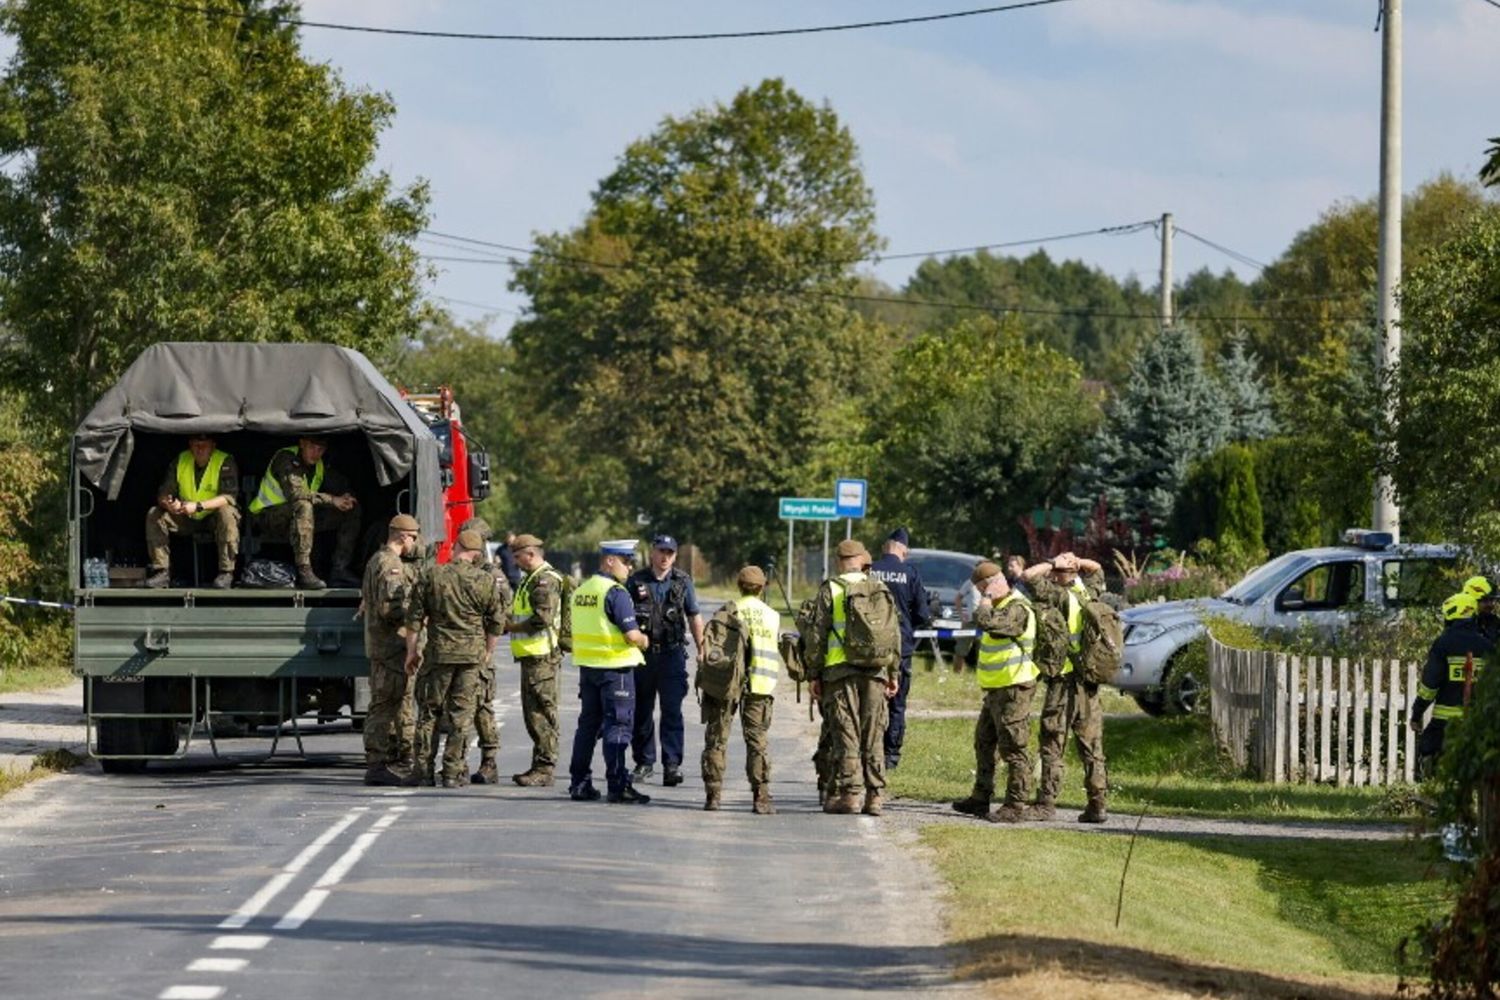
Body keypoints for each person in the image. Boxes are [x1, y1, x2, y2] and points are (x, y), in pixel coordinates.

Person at [805, 538, 899, 816]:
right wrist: (892, 673)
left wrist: (813, 674)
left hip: (839, 672)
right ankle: (875, 797)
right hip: (876, 671)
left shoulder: (831, 589)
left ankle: (849, 795)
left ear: (839, 561)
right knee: (874, 733)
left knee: (846, 731)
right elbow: (895, 634)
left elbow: (816, 636)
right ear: (862, 560)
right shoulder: (881, 588)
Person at [404, 529, 504, 788]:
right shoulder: (485, 580)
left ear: (457, 546)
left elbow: (414, 619)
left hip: (439, 654)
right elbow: (496, 622)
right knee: (462, 716)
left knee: (429, 712)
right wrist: (488, 652)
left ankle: (423, 770)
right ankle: (452, 772)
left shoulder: (432, 575)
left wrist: (411, 652)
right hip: (471, 657)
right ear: (477, 553)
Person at [1022, 551, 1110, 823]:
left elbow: (1027, 576)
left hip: (1064, 680)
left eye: (1056, 572)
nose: (1051, 574)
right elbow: (1097, 569)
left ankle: (1046, 802)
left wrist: (1053, 563)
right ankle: (1098, 805)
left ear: (1060, 575)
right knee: (1092, 746)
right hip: (1089, 681)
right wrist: (1077, 562)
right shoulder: (1089, 592)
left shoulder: (1057, 595)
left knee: (1052, 741)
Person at [951, 560, 1039, 824]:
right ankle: (981, 797)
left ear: (998, 582)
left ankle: (1015, 804)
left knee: (1014, 747)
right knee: (984, 741)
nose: (983, 594)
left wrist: (987, 597)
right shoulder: (1002, 606)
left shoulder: (1018, 608)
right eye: (980, 590)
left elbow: (985, 621)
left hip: (1015, 688)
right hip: (995, 690)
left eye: (985, 588)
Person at [569, 540, 652, 804]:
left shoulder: (582, 590)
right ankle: (618, 785)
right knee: (618, 726)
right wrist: (645, 640)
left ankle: (579, 784)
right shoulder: (615, 592)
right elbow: (631, 635)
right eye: (625, 561)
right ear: (609, 561)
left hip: (588, 668)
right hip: (615, 669)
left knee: (587, 726)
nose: (629, 567)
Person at [700, 565, 783, 814]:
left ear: (739, 585)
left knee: (717, 739)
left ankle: (713, 796)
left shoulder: (727, 612)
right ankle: (761, 797)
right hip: (759, 686)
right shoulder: (772, 615)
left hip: (725, 684)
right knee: (757, 742)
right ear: (762, 588)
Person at [627, 534, 704, 787]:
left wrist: (701, 648)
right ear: (652, 552)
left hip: (671, 655)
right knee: (641, 711)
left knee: (672, 711)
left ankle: (672, 765)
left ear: (675, 555)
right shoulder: (636, 580)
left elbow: (694, 616)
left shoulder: (682, 581)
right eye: (661, 551)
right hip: (642, 657)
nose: (665, 557)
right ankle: (644, 762)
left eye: (670, 553)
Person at [248, 436, 362, 590]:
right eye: (312, 447)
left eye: (321, 449)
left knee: (351, 511)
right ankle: (305, 570)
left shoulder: (319, 465)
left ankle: (340, 569)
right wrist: (332, 499)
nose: (316, 453)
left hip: (299, 520)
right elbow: (297, 494)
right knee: (303, 506)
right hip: (269, 518)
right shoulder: (286, 458)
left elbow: (337, 484)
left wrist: (346, 498)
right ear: (302, 444)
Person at [360, 514, 422, 786]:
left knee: (388, 704)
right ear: (403, 536)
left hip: (381, 644)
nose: (415, 544)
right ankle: (376, 765)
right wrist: (418, 616)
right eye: (414, 538)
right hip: (389, 646)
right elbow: (392, 608)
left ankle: (386, 760)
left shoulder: (375, 559)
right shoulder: (391, 565)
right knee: (384, 706)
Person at [867, 526, 932, 770]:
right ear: (904, 551)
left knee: (868, 700)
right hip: (900, 648)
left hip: (870, 647)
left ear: (886, 547)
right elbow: (923, 615)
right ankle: (891, 756)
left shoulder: (870, 570)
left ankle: (867, 749)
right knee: (897, 703)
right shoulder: (910, 573)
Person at [1411, 592, 1495, 777]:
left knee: (1427, 753)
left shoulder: (1443, 644)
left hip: (1444, 723)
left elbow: (1429, 686)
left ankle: (1430, 791)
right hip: (1477, 723)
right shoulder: (1487, 646)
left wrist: (1417, 713)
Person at [506, 533, 566, 787]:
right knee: (533, 715)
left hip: (542, 656)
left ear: (531, 554)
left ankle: (545, 768)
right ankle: (539, 765)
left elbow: (541, 618)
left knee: (542, 713)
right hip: (532, 655)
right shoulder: (530, 579)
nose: (516, 562)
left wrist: (510, 626)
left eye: (518, 557)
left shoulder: (544, 580)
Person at [457, 517, 514, 785]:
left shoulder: (494, 576)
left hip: (481, 652)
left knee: (481, 708)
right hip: (459, 650)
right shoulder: (458, 570)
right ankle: (458, 763)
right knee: (458, 709)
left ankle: (489, 762)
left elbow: (504, 615)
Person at [144, 434, 240, 589]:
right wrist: (170, 504)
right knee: (155, 513)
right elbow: (164, 493)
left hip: (212, 517)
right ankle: (161, 572)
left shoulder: (224, 460)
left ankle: (226, 573)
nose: (200, 449)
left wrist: (198, 506)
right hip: (185, 516)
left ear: (212, 446)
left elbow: (228, 497)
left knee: (227, 513)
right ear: (190, 445)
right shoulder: (181, 460)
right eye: (196, 445)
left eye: (204, 445)